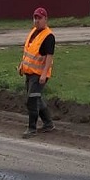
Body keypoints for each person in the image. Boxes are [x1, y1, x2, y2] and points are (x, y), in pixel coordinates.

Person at [17, 7, 55, 138]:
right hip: (29, 72)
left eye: (39, 18)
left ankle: (31, 129)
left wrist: (44, 74)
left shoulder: (48, 37)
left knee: (32, 100)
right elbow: (29, 52)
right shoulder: (34, 32)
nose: (36, 21)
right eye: (35, 18)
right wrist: (21, 66)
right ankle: (48, 124)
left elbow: (49, 58)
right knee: (36, 99)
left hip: (39, 75)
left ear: (46, 19)